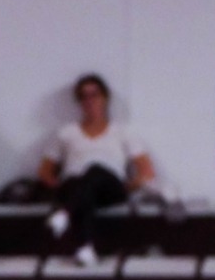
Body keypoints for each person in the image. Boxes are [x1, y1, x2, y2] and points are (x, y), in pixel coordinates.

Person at [38, 72, 155, 266]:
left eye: (94, 95)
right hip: (74, 185)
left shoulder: (122, 132)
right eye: (84, 96)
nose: (90, 101)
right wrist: (55, 185)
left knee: (95, 170)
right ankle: (86, 249)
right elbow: (44, 171)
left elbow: (147, 171)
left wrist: (129, 186)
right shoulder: (65, 133)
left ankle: (65, 214)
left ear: (105, 98)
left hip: (109, 187)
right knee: (81, 184)